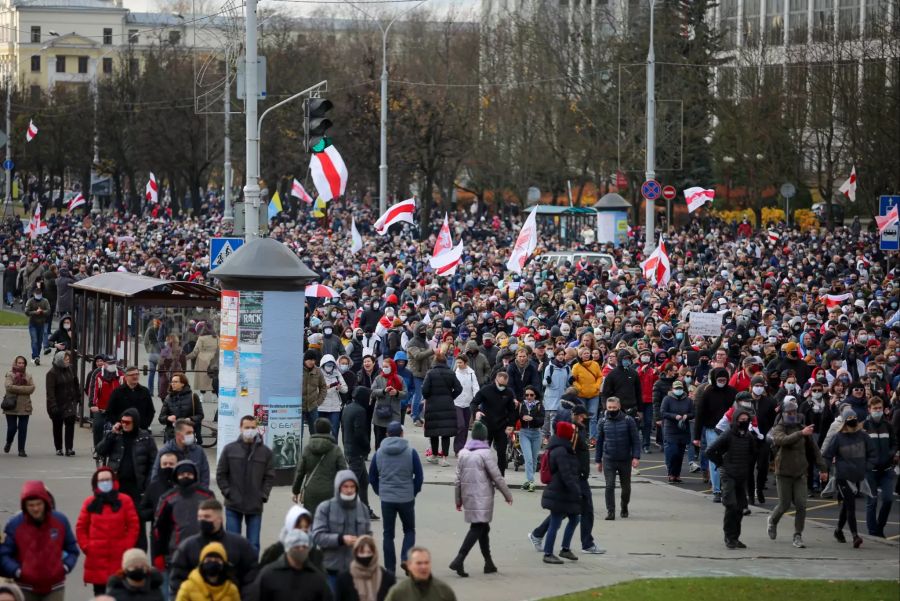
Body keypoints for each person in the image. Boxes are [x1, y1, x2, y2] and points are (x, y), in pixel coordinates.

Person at [448, 421, 512, 577]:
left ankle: (488, 563)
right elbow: (497, 477)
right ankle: (459, 559)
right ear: (484, 437)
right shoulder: (485, 453)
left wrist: (458, 500)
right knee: (478, 527)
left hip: (468, 495)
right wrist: (507, 495)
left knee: (483, 528)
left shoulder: (463, 453)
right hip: (483, 496)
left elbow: (457, 479)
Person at [0, 480, 80, 601]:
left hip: (55, 588)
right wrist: (17, 571)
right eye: (31, 505)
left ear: (45, 502)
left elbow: (72, 549)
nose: (36, 508)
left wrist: (65, 567)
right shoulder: (14, 524)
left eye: (39, 504)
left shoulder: (60, 521)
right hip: (25, 588)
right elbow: (4, 554)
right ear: (24, 505)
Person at [767, 399, 828, 548]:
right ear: (783, 413)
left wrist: (823, 469)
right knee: (784, 504)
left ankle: (797, 534)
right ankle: (772, 521)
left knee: (801, 505)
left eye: (794, 412)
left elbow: (815, 451)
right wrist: (801, 433)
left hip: (800, 472)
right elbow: (782, 440)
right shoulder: (779, 428)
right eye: (789, 413)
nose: (792, 415)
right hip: (783, 472)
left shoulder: (802, 428)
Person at [168, 500, 258, 599]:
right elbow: (176, 582)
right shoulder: (187, 547)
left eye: (207, 517)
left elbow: (251, 579)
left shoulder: (240, 545)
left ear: (220, 519)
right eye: (200, 517)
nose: (202, 520)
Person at [96, 407, 158, 547]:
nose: (124, 424)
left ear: (135, 422)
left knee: (137, 524)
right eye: (122, 421)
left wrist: (148, 485)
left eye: (128, 422)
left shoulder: (146, 438)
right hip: (117, 487)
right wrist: (111, 434)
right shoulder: (116, 436)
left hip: (137, 488)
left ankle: (139, 556)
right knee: (116, 522)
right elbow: (100, 450)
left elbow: (154, 463)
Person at [369, 422, 424, 575]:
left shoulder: (379, 453)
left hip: (387, 498)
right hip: (406, 497)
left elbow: (372, 477)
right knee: (409, 530)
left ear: (387, 434)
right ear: (402, 434)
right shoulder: (410, 452)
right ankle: (406, 558)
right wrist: (414, 491)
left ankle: (390, 569)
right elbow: (419, 476)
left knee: (388, 534)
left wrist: (380, 491)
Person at [76, 467, 141, 595]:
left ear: (114, 481)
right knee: (100, 595)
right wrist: (87, 547)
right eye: (102, 480)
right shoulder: (90, 503)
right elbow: (81, 527)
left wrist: (126, 546)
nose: (105, 482)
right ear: (96, 483)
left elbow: (134, 525)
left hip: (120, 559)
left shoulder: (125, 500)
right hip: (96, 560)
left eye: (108, 480)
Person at [216, 415, 274, 554]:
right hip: (233, 504)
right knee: (232, 543)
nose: (250, 430)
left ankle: (251, 573)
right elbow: (221, 474)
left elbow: (269, 476)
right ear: (240, 428)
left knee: (253, 545)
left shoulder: (265, 452)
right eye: (247, 427)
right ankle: (234, 573)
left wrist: (263, 495)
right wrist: (228, 492)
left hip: (255, 504)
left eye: (253, 428)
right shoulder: (230, 449)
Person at [822, 406, 877, 548]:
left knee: (847, 506)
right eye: (850, 419)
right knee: (851, 505)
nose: (853, 421)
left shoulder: (863, 436)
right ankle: (855, 536)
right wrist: (824, 470)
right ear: (845, 422)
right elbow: (828, 455)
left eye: (854, 419)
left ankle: (838, 530)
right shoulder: (838, 437)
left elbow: (872, 454)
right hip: (843, 476)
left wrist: (867, 467)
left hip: (858, 475)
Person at [152, 461, 215, 579]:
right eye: (182, 474)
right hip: (175, 555)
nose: (185, 476)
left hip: (203, 554)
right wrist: (159, 554)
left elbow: (216, 524)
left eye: (189, 473)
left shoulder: (207, 496)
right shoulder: (168, 498)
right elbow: (159, 529)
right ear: (176, 476)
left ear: (195, 475)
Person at [311, 470, 373, 592]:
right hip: (331, 571)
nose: (349, 490)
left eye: (352, 486)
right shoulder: (325, 508)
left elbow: (368, 535)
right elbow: (317, 536)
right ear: (338, 487)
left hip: (356, 571)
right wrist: (341, 539)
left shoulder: (363, 509)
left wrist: (365, 544)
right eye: (345, 486)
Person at [706, 409, 757, 549]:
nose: (744, 422)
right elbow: (709, 451)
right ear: (735, 420)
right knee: (731, 505)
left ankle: (735, 537)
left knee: (740, 508)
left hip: (742, 475)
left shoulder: (748, 436)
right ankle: (728, 537)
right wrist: (721, 463)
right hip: (728, 474)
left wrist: (747, 466)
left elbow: (754, 453)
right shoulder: (728, 434)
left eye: (746, 419)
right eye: (741, 419)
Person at [536, 421, 581, 564]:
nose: (573, 435)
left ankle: (565, 549)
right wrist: (576, 491)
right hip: (559, 492)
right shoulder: (561, 450)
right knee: (555, 523)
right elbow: (566, 474)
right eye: (571, 432)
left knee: (574, 519)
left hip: (560, 492)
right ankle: (548, 553)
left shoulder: (559, 448)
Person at [247, 529, 332, 601]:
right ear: (288, 548)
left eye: (304, 546)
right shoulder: (268, 575)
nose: (301, 549)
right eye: (297, 546)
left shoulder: (317, 578)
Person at [693, 367, 737, 503]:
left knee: (729, 460)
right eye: (719, 380)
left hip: (729, 431)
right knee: (714, 461)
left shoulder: (732, 392)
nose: (722, 382)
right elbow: (699, 415)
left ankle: (727, 489)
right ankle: (717, 490)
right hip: (711, 430)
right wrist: (696, 436)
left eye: (724, 380)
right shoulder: (707, 393)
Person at [594, 397, 640, 519]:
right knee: (609, 486)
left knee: (626, 488)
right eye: (609, 408)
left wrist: (636, 457)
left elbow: (635, 440)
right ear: (606, 407)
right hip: (609, 458)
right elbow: (599, 442)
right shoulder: (602, 421)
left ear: (619, 407)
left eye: (614, 407)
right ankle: (611, 511)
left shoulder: (628, 420)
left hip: (625, 459)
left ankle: (624, 506)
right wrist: (598, 460)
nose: (612, 410)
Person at [292, 418, 348, 516]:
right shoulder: (336, 450)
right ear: (330, 430)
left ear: (315, 429)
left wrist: (295, 491)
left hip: (311, 491)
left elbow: (300, 472)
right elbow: (344, 472)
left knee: (312, 522)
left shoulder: (307, 449)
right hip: (330, 491)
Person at [862, 397, 898, 537]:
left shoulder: (888, 425)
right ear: (869, 410)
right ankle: (872, 531)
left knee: (888, 499)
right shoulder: (864, 426)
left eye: (880, 408)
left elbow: (894, 443)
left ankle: (880, 527)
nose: (878, 411)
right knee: (872, 501)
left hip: (887, 470)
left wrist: (891, 453)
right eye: (875, 408)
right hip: (870, 470)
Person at [421, 351, 463, 466]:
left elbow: (424, 390)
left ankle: (434, 455)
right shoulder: (451, 373)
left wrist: (428, 397)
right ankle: (444, 458)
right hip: (447, 405)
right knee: (446, 433)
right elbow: (459, 388)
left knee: (434, 432)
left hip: (432, 405)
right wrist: (450, 397)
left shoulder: (430, 373)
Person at [470, 371, 516, 475]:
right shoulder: (486, 390)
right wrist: (476, 412)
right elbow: (474, 403)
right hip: (486, 425)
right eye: (500, 384)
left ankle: (500, 477)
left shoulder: (508, 392)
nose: (502, 387)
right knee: (483, 452)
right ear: (495, 380)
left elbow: (512, 411)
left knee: (501, 452)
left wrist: (511, 425)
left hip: (502, 426)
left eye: (504, 385)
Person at [342, 386, 377, 520]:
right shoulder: (360, 411)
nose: (369, 400)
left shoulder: (348, 408)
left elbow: (344, 428)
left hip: (349, 448)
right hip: (356, 451)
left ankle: (365, 509)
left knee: (363, 481)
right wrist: (366, 447)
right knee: (352, 483)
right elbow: (360, 433)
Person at [259, 506, 323, 570]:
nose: (302, 531)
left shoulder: (315, 554)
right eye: (298, 527)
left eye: (306, 527)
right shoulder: (274, 552)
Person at [151, 419, 211, 487]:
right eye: (188, 433)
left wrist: (201, 493)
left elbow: (205, 476)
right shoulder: (165, 451)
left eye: (192, 432)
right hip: (171, 495)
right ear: (178, 435)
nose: (192, 435)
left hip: (195, 494)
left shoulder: (198, 451)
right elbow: (155, 477)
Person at [173, 542, 240, 601]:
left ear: (223, 563)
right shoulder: (187, 587)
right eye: (208, 559)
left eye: (217, 559)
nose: (213, 561)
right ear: (202, 562)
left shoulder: (232, 590)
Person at [334, 536, 394, 601]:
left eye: (369, 552)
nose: (365, 556)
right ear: (355, 553)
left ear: (374, 554)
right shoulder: (344, 579)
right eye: (361, 552)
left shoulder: (387, 578)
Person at [384, 547, 455, 601]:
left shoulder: (444, 591)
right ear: (409, 565)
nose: (424, 567)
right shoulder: (398, 592)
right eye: (419, 563)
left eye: (426, 563)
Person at [45, 350, 79, 456]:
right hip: (57, 403)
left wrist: (78, 396)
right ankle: (59, 448)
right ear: (60, 360)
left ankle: (69, 448)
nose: (68, 361)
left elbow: (75, 383)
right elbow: (50, 391)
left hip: (69, 402)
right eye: (66, 359)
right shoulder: (51, 373)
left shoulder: (70, 369)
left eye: (68, 359)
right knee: (57, 426)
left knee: (70, 425)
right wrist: (53, 405)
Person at [659, 380, 693, 483]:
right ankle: (671, 473)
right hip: (671, 429)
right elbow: (663, 412)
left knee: (680, 454)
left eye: (680, 388)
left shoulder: (688, 400)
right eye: (676, 388)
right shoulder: (667, 399)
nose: (679, 390)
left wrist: (687, 416)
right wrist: (674, 416)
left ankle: (677, 474)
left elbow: (693, 413)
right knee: (672, 452)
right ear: (672, 389)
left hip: (683, 429)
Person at [371, 358, 408, 449]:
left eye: (386, 366)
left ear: (392, 367)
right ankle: (379, 458)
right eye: (383, 367)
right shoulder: (378, 378)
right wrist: (383, 391)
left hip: (394, 414)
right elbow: (372, 391)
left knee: (394, 440)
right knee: (379, 440)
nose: (384, 368)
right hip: (380, 414)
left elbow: (405, 393)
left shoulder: (399, 379)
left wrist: (397, 393)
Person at [158, 373, 203, 442]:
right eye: (172, 382)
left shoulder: (193, 396)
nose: (173, 384)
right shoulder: (168, 398)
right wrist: (168, 418)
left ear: (183, 384)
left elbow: (200, 415)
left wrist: (190, 419)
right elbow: (161, 418)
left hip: (188, 434)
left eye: (176, 382)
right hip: (172, 436)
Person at [571, 347, 602, 445]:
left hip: (594, 395)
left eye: (588, 353)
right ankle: (581, 437)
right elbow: (573, 379)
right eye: (584, 353)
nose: (587, 355)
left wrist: (597, 386)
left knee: (593, 417)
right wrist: (579, 388)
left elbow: (600, 376)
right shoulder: (576, 366)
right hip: (581, 395)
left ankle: (593, 438)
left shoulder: (595, 364)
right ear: (580, 355)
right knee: (581, 417)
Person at [4, 355, 34, 457]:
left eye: (23, 363)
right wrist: (24, 389)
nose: (21, 365)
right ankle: (9, 441)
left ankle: (21, 449)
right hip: (11, 405)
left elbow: (32, 388)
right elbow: (8, 387)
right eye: (19, 363)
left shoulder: (28, 376)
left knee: (23, 429)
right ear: (15, 363)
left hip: (25, 406)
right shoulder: (10, 375)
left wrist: (16, 388)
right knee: (12, 428)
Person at [405, 323, 435, 426]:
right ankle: (415, 417)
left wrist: (432, 366)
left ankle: (417, 414)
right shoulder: (412, 343)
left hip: (424, 373)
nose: (424, 333)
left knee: (422, 396)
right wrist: (432, 351)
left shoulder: (425, 343)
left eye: (425, 331)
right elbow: (418, 355)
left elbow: (428, 358)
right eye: (421, 331)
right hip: (415, 373)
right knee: (417, 395)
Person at [516, 385, 544, 491]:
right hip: (524, 433)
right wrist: (521, 418)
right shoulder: (521, 405)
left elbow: (541, 421)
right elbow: (516, 416)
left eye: (531, 395)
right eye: (527, 395)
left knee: (534, 459)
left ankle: (528, 481)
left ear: (535, 395)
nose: (528, 397)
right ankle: (531, 481)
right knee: (528, 459)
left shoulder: (539, 405)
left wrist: (532, 419)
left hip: (536, 433)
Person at [452, 355, 480, 454]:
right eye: (457, 362)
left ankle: (462, 447)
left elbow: (475, 387)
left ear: (465, 363)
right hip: (457, 402)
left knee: (466, 426)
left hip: (468, 403)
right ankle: (457, 448)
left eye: (460, 362)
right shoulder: (454, 373)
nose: (458, 364)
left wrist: (476, 400)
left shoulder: (471, 373)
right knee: (461, 425)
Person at [92, 361, 123, 450]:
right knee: (98, 425)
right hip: (101, 407)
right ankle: (97, 449)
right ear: (105, 364)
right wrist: (93, 404)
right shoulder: (98, 375)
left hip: (116, 409)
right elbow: (94, 391)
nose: (112, 366)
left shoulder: (121, 375)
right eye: (109, 364)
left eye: (113, 363)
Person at [318, 354, 348, 439]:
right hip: (321, 407)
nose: (329, 367)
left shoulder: (337, 374)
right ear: (323, 365)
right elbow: (314, 390)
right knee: (320, 432)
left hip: (334, 408)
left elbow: (345, 389)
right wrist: (323, 388)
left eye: (331, 365)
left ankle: (334, 450)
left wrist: (340, 387)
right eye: (327, 365)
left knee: (334, 430)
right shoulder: (318, 373)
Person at [184, 324, 218, 397]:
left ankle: (202, 396)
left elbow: (195, 352)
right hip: (214, 359)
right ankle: (214, 396)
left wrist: (186, 357)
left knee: (202, 377)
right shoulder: (217, 337)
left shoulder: (201, 338)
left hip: (202, 359)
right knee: (213, 377)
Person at [303, 350, 328, 435]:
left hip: (313, 406)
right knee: (298, 432)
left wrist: (319, 401)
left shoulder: (318, 371)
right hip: (299, 407)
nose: (312, 362)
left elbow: (323, 387)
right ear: (305, 360)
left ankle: (315, 447)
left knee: (315, 432)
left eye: (314, 360)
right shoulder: (298, 370)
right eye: (310, 360)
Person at [24, 286, 50, 365]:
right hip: (33, 323)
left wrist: (42, 311)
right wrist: (35, 312)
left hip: (41, 323)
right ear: (34, 294)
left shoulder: (45, 301)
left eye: (40, 294)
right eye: (37, 294)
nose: (38, 295)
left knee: (39, 341)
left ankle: (36, 355)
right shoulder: (30, 301)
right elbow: (26, 311)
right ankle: (36, 356)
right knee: (34, 340)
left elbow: (48, 310)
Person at [157, 336, 187, 401]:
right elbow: (184, 368)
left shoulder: (164, 352)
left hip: (165, 381)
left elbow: (160, 368)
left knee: (165, 401)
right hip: (178, 380)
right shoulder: (181, 352)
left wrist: (162, 375)